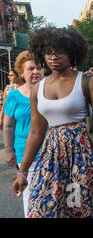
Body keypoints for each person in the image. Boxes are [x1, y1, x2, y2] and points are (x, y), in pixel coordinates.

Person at [12, 27, 93, 218]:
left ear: (71, 52)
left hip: (82, 157)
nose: (53, 57)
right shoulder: (38, 89)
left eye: (59, 51)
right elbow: (36, 132)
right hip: (51, 157)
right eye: (48, 52)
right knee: (40, 209)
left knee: (79, 209)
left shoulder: (87, 82)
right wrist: (22, 172)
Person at [3, 51, 45, 217]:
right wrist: (8, 150)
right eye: (30, 69)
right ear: (21, 73)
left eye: (39, 67)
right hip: (26, 153)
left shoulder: (51, 91)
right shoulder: (14, 96)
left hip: (54, 150)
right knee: (31, 196)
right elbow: (8, 126)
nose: (36, 71)